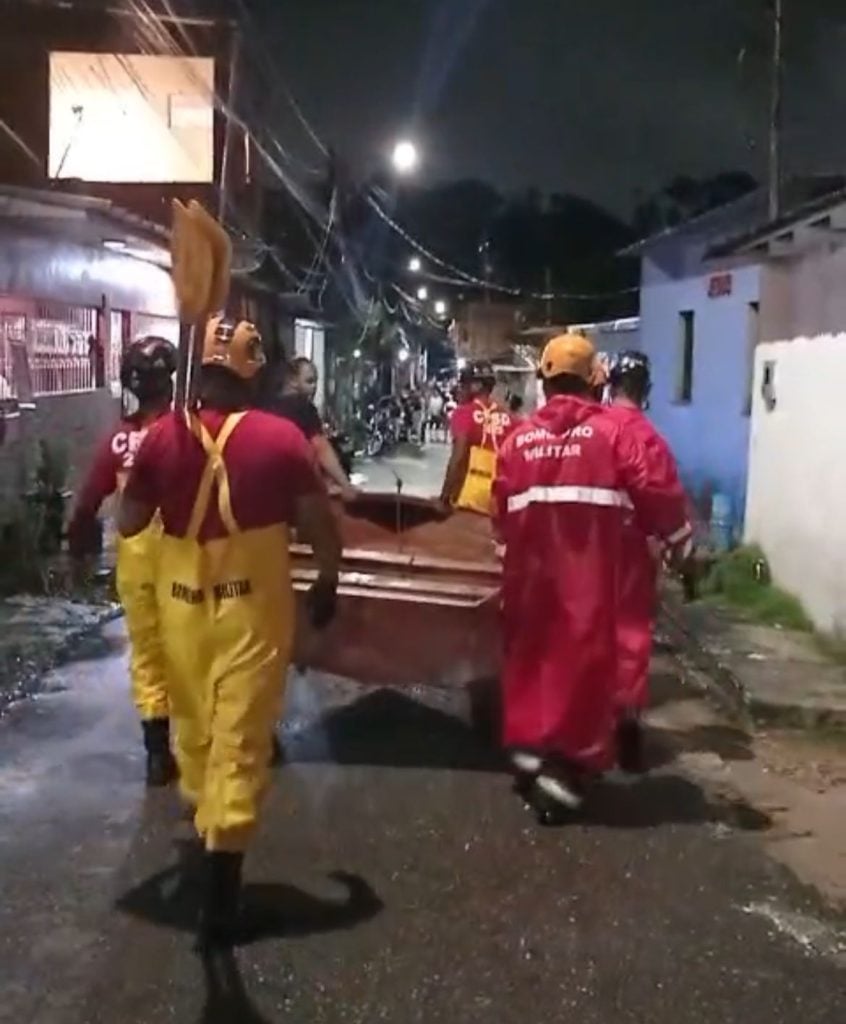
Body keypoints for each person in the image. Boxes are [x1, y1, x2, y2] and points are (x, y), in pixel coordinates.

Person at [118, 316, 342, 946]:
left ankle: (206, 828)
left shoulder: (163, 438)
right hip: (252, 610)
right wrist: (327, 580)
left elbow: (130, 523)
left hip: (182, 607)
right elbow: (319, 527)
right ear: (255, 371)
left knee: (196, 731)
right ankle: (221, 895)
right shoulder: (280, 439)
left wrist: (165, 472)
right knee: (241, 741)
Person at [493, 334, 693, 823]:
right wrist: (680, 541)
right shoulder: (613, 436)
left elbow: (500, 512)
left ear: (543, 382)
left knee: (531, 663)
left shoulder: (516, 440)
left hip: (528, 583)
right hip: (585, 583)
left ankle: (532, 752)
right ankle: (564, 771)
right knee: (582, 671)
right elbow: (655, 491)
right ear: (593, 381)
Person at [67, 336, 179, 787]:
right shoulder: (187, 433)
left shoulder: (117, 441)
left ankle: (157, 754)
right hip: (185, 560)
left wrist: (77, 548)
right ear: (169, 382)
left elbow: (86, 504)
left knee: (148, 654)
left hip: (134, 562)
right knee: (193, 650)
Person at [604, 350, 689, 771]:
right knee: (630, 635)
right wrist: (679, 545)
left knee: (581, 631)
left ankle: (576, 725)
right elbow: (665, 500)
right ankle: (627, 724)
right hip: (632, 552)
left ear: (610, 386)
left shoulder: (592, 429)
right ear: (647, 390)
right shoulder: (648, 439)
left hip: (581, 547)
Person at [264, 356, 359, 501]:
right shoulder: (303, 407)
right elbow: (321, 447)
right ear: (292, 381)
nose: (314, 387)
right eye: (309, 381)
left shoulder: (267, 407)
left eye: (315, 382)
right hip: (299, 491)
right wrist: (345, 485)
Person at [439, 360, 513, 515]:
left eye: (463, 385)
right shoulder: (510, 417)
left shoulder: (463, 413)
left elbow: (458, 458)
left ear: (476, 386)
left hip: (470, 499)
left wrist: (444, 498)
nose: (460, 390)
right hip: (501, 501)